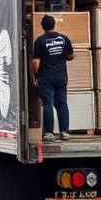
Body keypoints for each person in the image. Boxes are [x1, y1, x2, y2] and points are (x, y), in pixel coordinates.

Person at [31, 14, 74, 142]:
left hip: (46, 77)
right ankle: (64, 131)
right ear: (54, 24)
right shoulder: (64, 38)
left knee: (48, 104)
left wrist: (35, 75)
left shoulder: (40, 41)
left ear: (42, 27)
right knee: (62, 104)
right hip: (61, 77)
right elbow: (70, 56)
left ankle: (49, 133)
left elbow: (35, 62)